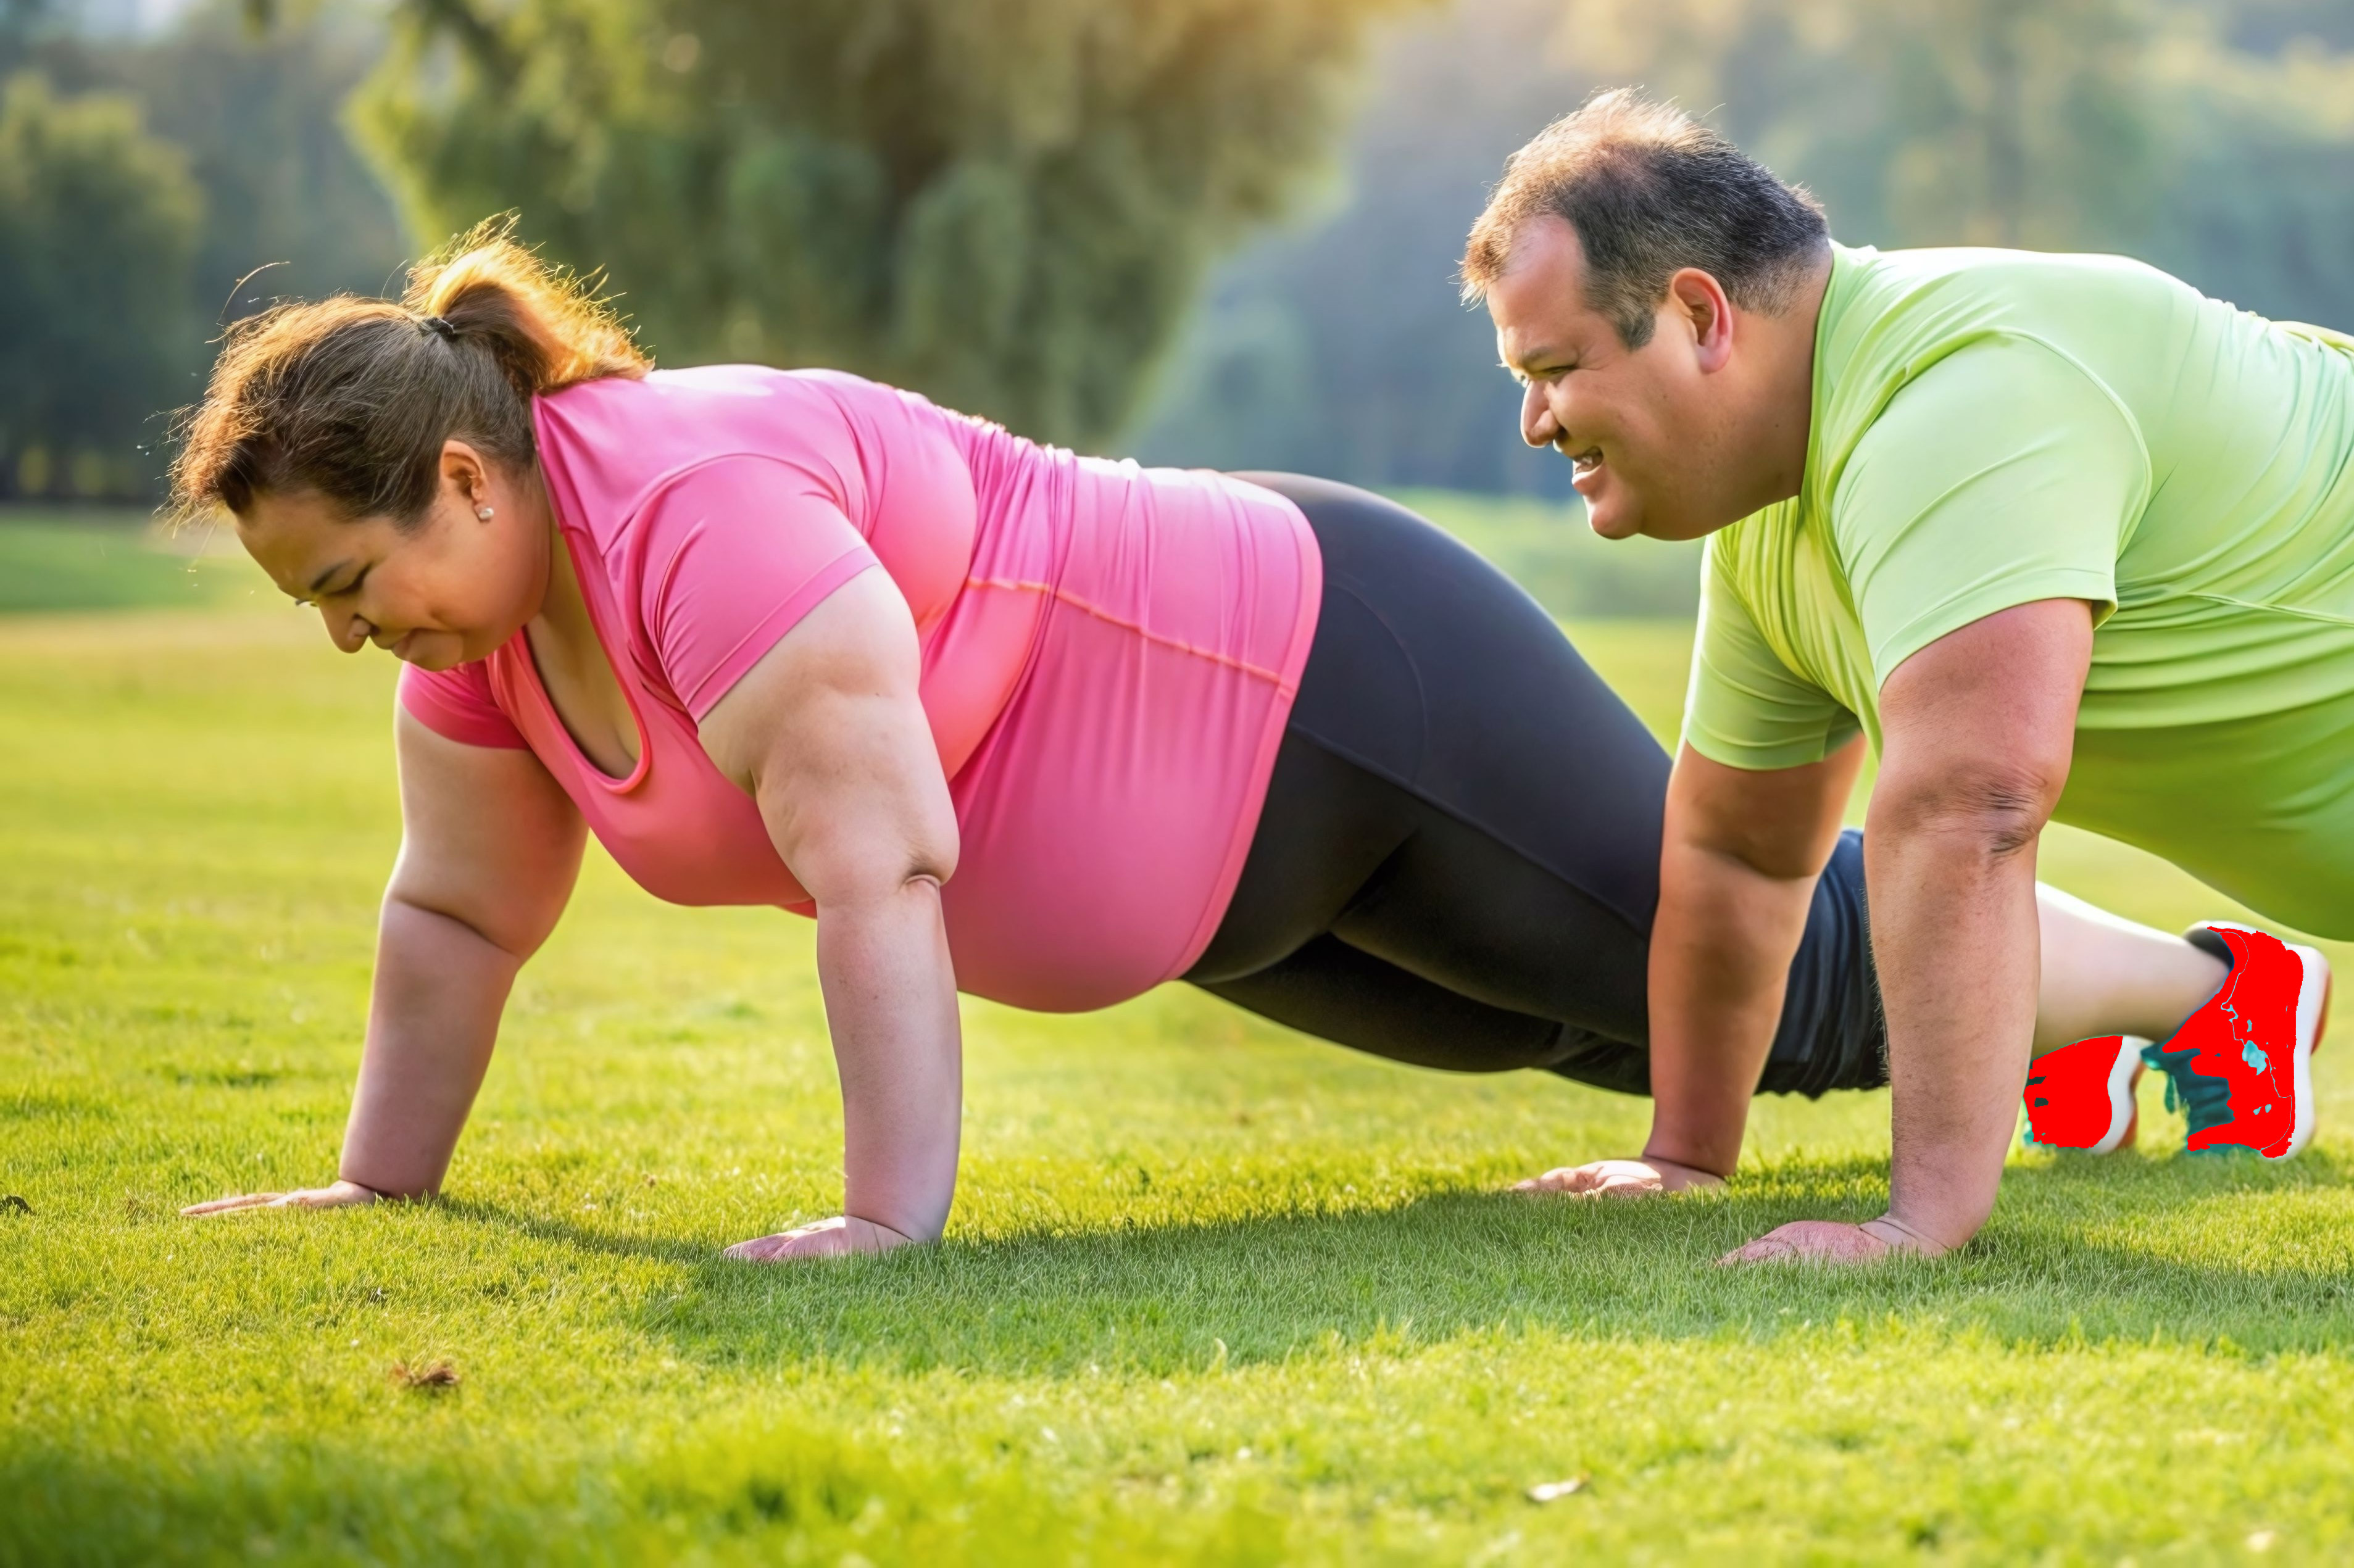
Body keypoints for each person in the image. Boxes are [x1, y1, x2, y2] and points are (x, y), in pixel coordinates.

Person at [174, 226, 2236, 1260]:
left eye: (348, 574)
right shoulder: (483, 630)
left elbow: (881, 861)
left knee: (1752, 985)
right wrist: (379, 1191)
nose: (351, 631)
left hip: (1326, 678)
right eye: (316, 608)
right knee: (1629, 1045)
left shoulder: (683, 511)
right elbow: (455, 917)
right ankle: (2184, 1015)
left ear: (460, 477)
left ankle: (2215, 998)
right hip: (1237, 881)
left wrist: (888, 1226)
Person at [1461, 89, 2344, 1266]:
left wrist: (1917, 1222)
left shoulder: (1958, 391)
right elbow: (1739, 854)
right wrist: (1683, 1156)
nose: (1533, 422)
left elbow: (1967, 807)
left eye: (1555, 367)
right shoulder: (1776, 519)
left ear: (1696, 315)